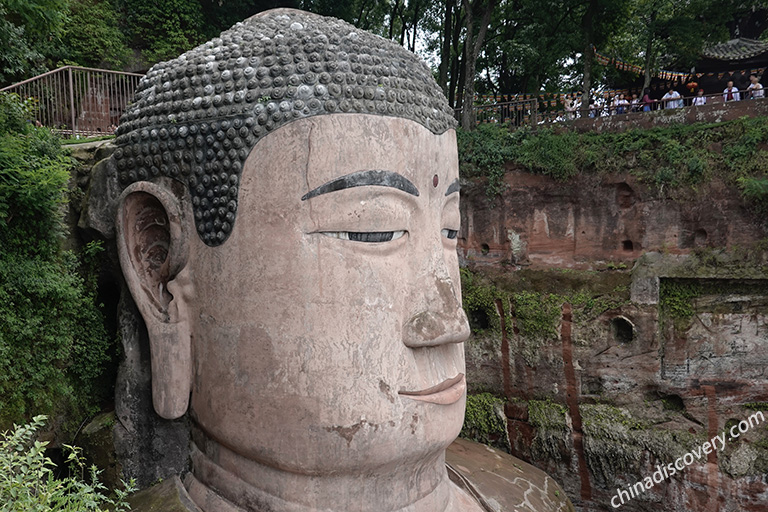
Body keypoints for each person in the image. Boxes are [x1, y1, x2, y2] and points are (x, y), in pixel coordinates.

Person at [107, 8, 575, 512]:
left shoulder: (532, 499)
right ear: (159, 270)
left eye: (449, 231)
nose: (450, 322)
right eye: (371, 229)